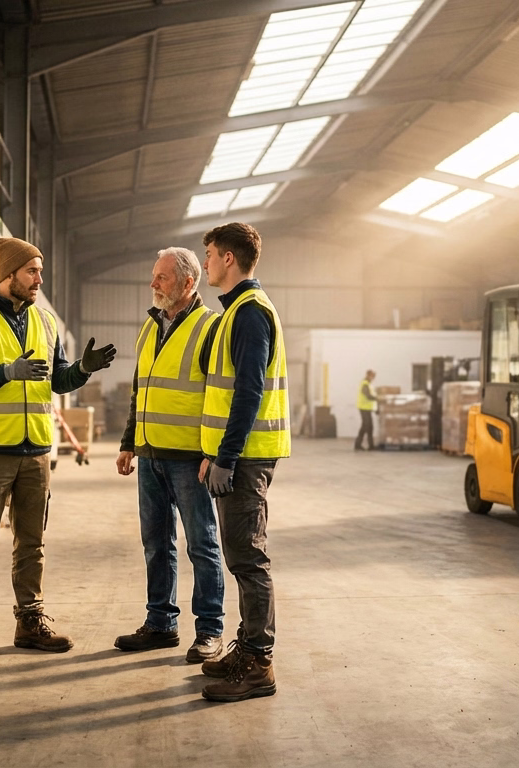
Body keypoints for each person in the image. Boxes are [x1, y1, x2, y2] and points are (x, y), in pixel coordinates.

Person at [0, 237, 116, 664]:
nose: (39, 279)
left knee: (32, 542)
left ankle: (30, 620)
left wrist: (82, 369)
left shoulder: (45, 322)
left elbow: (56, 380)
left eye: (39, 271)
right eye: (32, 271)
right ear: (7, 275)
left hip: (37, 450)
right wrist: (7, 372)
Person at [113, 248, 226, 663]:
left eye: (161, 277)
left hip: (189, 458)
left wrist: (212, 452)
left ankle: (210, 630)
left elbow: (220, 395)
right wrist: (129, 443)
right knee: (156, 544)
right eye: (154, 276)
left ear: (188, 282)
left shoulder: (209, 328)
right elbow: (139, 389)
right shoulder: (150, 325)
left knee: (202, 544)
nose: (153, 283)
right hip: (150, 455)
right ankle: (160, 623)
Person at [196, 222, 290, 703]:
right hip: (235, 456)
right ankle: (248, 646)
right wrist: (213, 453)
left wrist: (226, 457)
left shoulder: (250, 313)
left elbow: (249, 393)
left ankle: (259, 664)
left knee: (249, 558)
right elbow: (227, 390)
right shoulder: (236, 312)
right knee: (239, 554)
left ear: (229, 259)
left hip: (248, 459)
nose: (206, 261)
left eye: (210, 254)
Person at [355, 369, 378, 451]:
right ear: (368, 375)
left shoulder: (369, 384)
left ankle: (367, 445)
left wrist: (376, 408)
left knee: (368, 427)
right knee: (366, 426)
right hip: (363, 408)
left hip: (367, 408)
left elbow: (371, 396)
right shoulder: (365, 384)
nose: (373, 378)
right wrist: (378, 398)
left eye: (373, 376)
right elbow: (368, 396)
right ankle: (360, 445)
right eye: (372, 376)